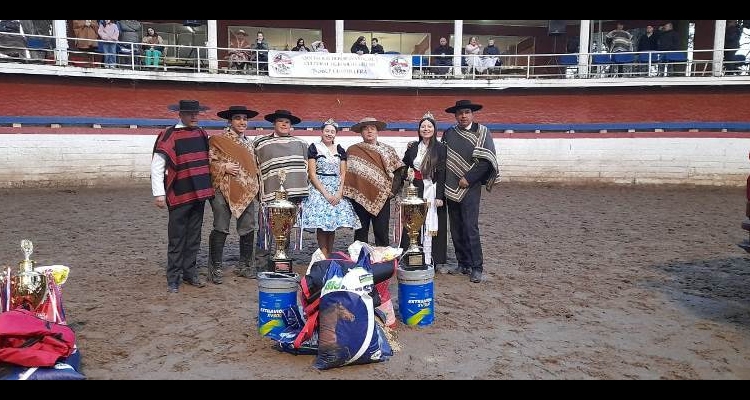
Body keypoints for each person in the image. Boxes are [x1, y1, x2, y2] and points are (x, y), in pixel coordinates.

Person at [151, 100, 215, 293]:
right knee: (177, 237)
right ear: (181, 114)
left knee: (194, 236)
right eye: (190, 113)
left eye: (196, 113)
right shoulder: (168, 135)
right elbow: (157, 165)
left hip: (199, 193)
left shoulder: (202, 133)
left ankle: (190, 272)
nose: (194, 116)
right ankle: (173, 277)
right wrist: (159, 194)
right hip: (179, 194)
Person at [441, 100, 500, 283]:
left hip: (470, 186)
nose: (463, 116)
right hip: (451, 184)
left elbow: (486, 161)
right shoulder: (449, 133)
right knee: (456, 226)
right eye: (460, 113)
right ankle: (462, 262)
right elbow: (442, 156)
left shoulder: (482, 132)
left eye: (467, 112)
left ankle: (477, 266)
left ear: (472, 114)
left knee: (470, 227)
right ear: (455, 115)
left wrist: (469, 178)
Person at [208, 106, 262, 283]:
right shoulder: (217, 140)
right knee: (221, 226)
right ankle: (215, 267)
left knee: (248, 227)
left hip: (245, 190)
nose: (242, 122)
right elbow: (207, 162)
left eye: (245, 118)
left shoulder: (249, 143)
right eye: (238, 118)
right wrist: (223, 167)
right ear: (230, 122)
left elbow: (254, 167)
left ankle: (245, 265)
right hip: (222, 189)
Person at [252, 109, 310, 267]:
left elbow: (306, 167)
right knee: (265, 229)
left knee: (285, 228)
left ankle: (281, 260)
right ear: (274, 123)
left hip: (292, 194)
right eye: (281, 121)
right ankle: (261, 262)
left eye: (287, 122)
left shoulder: (301, 144)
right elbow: (256, 166)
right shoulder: (260, 144)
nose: (284, 124)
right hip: (270, 193)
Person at [299, 119, 362, 257]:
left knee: (332, 223)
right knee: (322, 224)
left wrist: (340, 192)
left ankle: (329, 252)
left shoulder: (340, 149)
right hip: (319, 187)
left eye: (332, 132)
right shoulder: (314, 148)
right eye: (327, 131)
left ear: (336, 134)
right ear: (322, 132)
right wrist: (325, 194)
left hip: (336, 186)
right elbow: (312, 173)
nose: (329, 134)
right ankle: (323, 254)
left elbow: (343, 172)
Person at [343, 117, 406, 246]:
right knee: (360, 232)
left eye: (372, 128)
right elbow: (348, 175)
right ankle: (360, 260)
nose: (369, 131)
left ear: (377, 131)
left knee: (382, 231)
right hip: (360, 197)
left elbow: (399, 171)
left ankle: (383, 262)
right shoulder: (353, 150)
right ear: (361, 132)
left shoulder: (388, 150)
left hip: (382, 197)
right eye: (365, 129)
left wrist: (391, 192)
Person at [399, 111, 448, 272]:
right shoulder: (413, 147)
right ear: (419, 129)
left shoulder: (440, 148)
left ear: (434, 129)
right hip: (416, 189)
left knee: (432, 224)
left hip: (432, 189)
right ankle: (412, 254)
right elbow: (405, 164)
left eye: (429, 126)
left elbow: (442, 174)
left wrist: (440, 196)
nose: (426, 129)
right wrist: (407, 174)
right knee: (413, 222)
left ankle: (433, 258)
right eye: (423, 126)